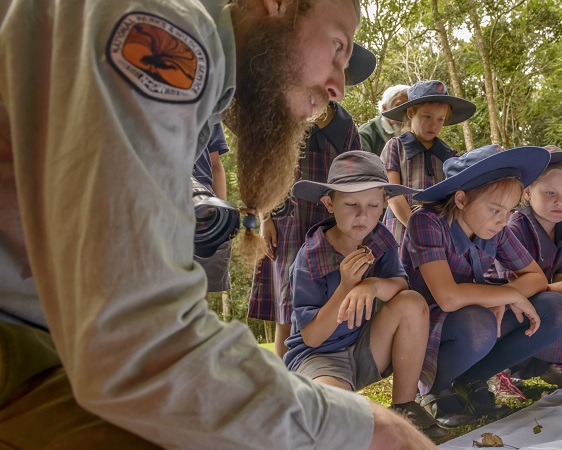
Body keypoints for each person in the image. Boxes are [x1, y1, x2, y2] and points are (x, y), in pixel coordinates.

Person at [0, 0, 437, 448]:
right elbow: (138, 345)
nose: (339, 87)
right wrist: (373, 430)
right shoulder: (171, 32)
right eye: (337, 47)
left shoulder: (204, 78)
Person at [401, 145, 562, 427]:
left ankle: (472, 380)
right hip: (427, 330)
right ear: (461, 199)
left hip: (476, 315)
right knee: (479, 321)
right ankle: (435, 388)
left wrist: (501, 298)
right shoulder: (426, 222)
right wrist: (505, 293)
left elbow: (537, 277)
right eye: (495, 209)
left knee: (555, 308)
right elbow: (447, 297)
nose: (503, 220)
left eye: (510, 210)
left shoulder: (496, 228)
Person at [282, 151, 448, 439]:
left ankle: (405, 405)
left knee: (412, 302)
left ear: (385, 204)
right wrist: (346, 287)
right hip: (318, 358)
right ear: (328, 203)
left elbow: (400, 285)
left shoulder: (380, 239)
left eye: (373, 205)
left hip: (364, 346)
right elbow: (311, 337)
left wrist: (370, 286)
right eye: (351, 204)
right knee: (341, 419)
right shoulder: (310, 257)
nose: (363, 215)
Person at [249, 99, 368, 358]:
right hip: (287, 220)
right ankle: (284, 383)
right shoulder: (282, 113)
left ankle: (326, 373)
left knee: (329, 299)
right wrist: (265, 218)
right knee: (287, 304)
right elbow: (264, 169)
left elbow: (357, 175)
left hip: (331, 219)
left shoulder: (346, 125)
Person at [493, 146, 562, 389]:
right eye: (550, 193)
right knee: (553, 302)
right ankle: (504, 371)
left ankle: (553, 364)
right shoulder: (514, 227)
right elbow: (510, 288)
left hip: (546, 297)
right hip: (509, 303)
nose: (560, 202)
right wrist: (560, 288)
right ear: (527, 192)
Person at [380, 80, 476, 244]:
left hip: (438, 234)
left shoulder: (450, 155)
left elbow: (454, 200)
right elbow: (392, 193)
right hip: (400, 232)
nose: (434, 124)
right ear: (411, 113)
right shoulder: (395, 147)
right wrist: (415, 226)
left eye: (440, 119)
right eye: (427, 117)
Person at [193, 122, 233, 294]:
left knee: (200, 291)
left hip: (205, 209)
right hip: (161, 199)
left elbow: (215, 165)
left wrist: (222, 209)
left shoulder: (211, 106)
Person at [359, 84, 410, 156]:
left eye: (408, 107)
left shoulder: (415, 131)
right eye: (399, 106)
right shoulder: (366, 134)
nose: (405, 112)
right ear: (384, 108)